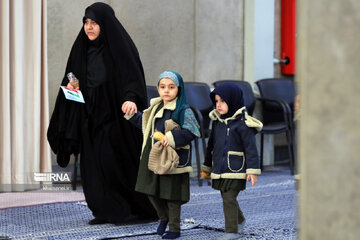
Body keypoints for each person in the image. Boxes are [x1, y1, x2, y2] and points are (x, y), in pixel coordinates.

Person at [47, 2, 157, 224]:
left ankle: (130, 209)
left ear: (104, 24)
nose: (89, 27)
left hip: (115, 117)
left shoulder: (119, 47)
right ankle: (105, 210)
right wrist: (73, 87)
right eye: (86, 22)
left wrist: (130, 99)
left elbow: (132, 78)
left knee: (113, 161)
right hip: (89, 117)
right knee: (93, 167)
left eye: (94, 23)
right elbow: (72, 76)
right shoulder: (82, 49)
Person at [123, 70, 200, 239]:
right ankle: (163, 218)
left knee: (172, 195)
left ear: (178, 89)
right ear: (158, 88)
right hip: (153, 155)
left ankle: (174, 228)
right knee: (149, 189)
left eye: (171, 87)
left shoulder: (183, 110)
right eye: (163, 86)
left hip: (172, 159)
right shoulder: (155, 107)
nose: (166, 90)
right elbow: (145, 125)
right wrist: (131, 114)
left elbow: (193, 132)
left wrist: (171, 137)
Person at [200, 83, 263, 240]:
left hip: (236, 169)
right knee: (227, 197)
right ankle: (240, 220)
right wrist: (207, 167)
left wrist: (252, 171)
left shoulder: (243, 124)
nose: (218, 105)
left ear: (233, 101)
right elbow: (211, 146)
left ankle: (231, 231)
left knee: (229, 198)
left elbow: (251, 149)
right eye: (216, 101)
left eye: (223, 101)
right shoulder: (217, 122)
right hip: (220, 169)